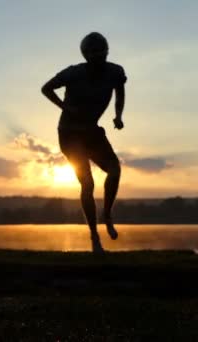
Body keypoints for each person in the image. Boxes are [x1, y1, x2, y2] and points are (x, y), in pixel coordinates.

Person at [41, 32, 127, 253]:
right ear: (87, 55)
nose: (99, 56)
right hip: (69, 134)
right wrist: (64, 107)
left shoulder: (115, 72)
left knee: (115, 170)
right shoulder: (73, 73)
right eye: (94, 53)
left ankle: (106, 214)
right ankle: (94, 237)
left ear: (107, 51)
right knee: (87, 184)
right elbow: (46, 88)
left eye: (102, 52)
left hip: (92, 133)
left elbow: (120, 92)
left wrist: (118, 115)